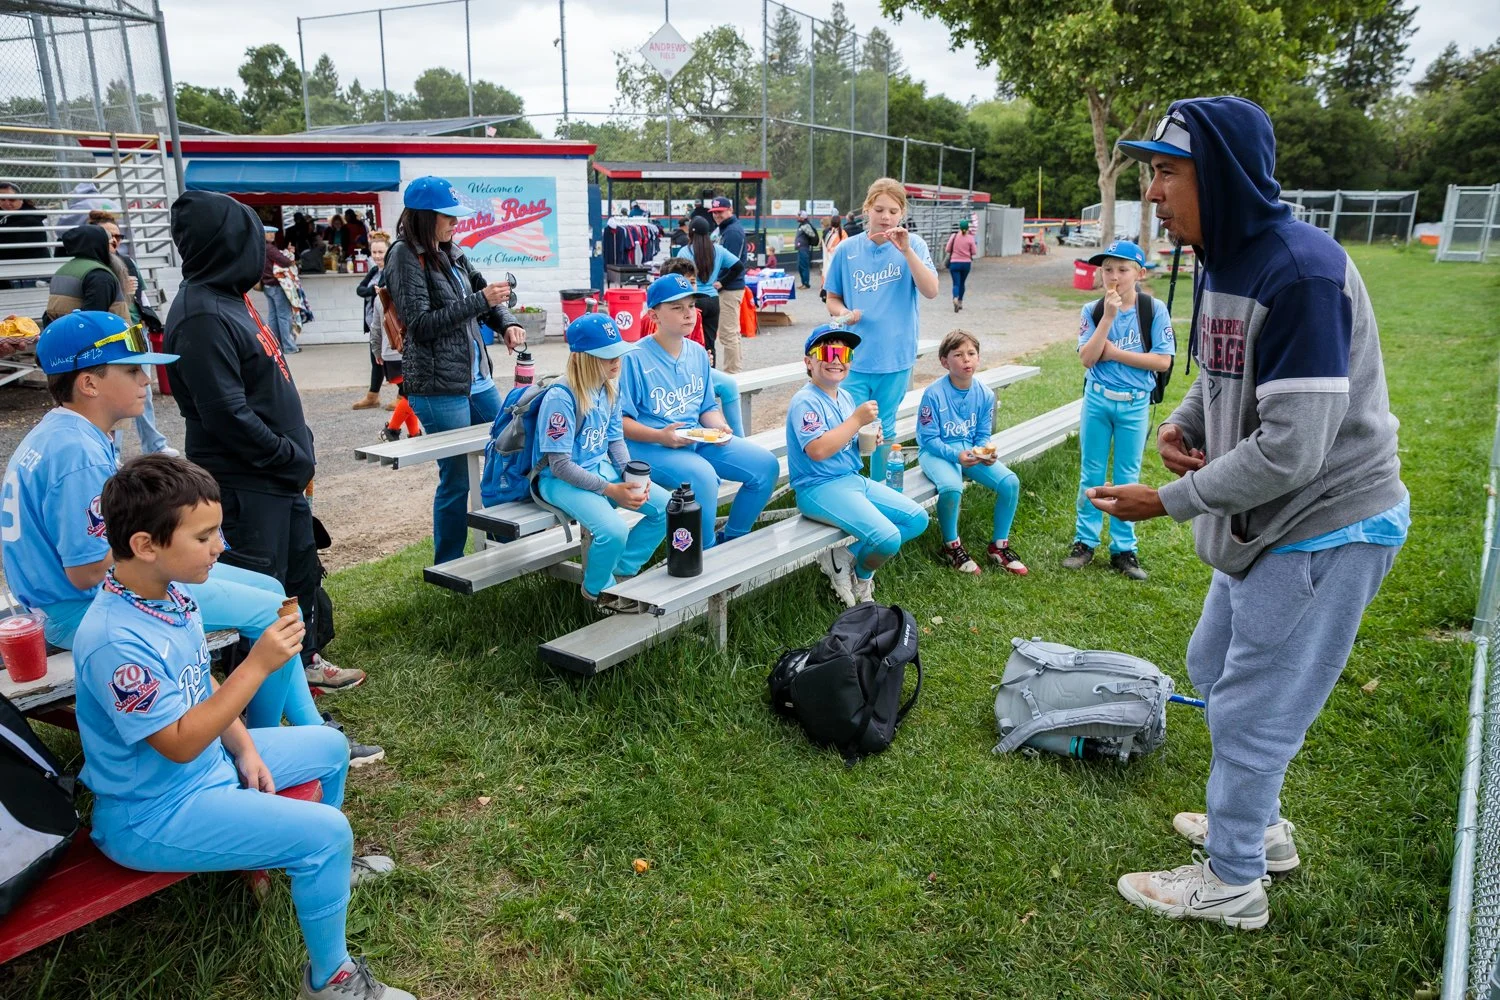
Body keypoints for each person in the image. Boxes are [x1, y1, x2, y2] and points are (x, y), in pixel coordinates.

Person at [1091, 97, 1408, 930]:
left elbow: (1294, 449)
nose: (1152, 192)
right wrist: (1185, 422)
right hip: (1268, 524)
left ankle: (1232, 881)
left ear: (1221, 176)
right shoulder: (1222, 257)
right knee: (1213, 662)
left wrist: (1168, 502)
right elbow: (1222, 367)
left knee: (1254, 708)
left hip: (1327, 524)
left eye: (1166, 172)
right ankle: (1259, 828)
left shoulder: (1300, 271)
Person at [70, 455, 410, 1000]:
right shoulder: (114, 640)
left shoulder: (171, 595)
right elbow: (179, 744)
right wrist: (257, 665)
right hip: (153, 812)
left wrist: (247, 748)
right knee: (328, 834)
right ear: (144, 545)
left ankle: (321, 873)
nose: (220, 547)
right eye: (204, 536)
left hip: (207, 772)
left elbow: (199, 687)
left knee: (329, 745)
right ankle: (332, 982)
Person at [0, 312, 376, 761]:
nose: (146, 379)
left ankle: (291, 735)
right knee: (269, 609)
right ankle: (260, 745)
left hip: (61, 601)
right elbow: (84, 572)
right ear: (89, 383)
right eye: (132, 369)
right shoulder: (77, 451)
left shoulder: (68, 432)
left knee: (273, 592)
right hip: (76, 611)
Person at [164, 191, 367, 697]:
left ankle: (304, 666)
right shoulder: (202, 315)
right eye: (253, 241)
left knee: (298, 574)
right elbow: (226, 415)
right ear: (227, 244)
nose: (263, 254)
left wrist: (297, 456)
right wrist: (287, 456)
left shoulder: (232, 298)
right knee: (260, 590)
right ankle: (254, 701)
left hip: (280, 477)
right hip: (248, 483)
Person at [384, 176, 525, 565]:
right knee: (457, 478)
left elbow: (485, 297)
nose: (456, 224)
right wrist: (479, 300)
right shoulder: (403, 256)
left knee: (508, 449)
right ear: (425, 217)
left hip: (475, 379)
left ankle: (504, 540)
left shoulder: (454, 251)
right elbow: (422, 324)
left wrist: (506, 321)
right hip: (438, 386)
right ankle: (449, 563)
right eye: (449, 217)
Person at [620, 273, 777, 550]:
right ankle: (702, 552)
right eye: (677, 307)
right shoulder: (633, 358)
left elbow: (706, 407)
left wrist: (719, 426)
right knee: (702, 476)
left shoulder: (696, 352)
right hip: (650, 447)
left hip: (694, 438)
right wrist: (660, 436)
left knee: (765, 465)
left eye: (691, 306)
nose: (688, 314)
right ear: (654, 315)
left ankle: (733, 541)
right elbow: (620, 423)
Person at [534, 313, 668, 610]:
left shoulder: (609, 387)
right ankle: (597, 591)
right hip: (559, 481)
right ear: (583, 357)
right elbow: (560, 465)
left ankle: (620, 571)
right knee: (614, 530)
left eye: (618, 352)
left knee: (667, 507)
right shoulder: (561, 396)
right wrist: (610, 489)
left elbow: (615, 439)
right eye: (607, 355)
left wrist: (629, 476)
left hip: (600, 469)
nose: (616, 360)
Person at [788, 324, 928, 608]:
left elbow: (845, 443)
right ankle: (856, 572)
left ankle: (852, 564)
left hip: (851, 479)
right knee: (888, 539)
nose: (836, 359)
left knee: (916, 519)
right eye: (827, 351)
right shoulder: (805, 401)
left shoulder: (845, 397)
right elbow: (817, 450)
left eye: (843, 352)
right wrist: (856, 421)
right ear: (809, 362)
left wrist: (867, 439)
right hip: (818, 487)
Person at [1061, 239, 1175, 581]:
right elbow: (1087, 357)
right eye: (1107, 269)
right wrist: (1108, 318)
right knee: (1091, 472)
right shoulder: (1093, 311)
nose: (1114, 276)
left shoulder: (1152, 310)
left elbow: (1162, 360)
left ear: (1139, 273)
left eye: (1123, 270)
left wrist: (1116, 354)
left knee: (1128, 476)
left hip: (1135, 404)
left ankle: (1124, 548)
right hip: (1098, 399)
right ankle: (1084, 541)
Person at [822, 177, 940, 485]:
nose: (885, 217)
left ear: (902, 213)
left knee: (884, 428)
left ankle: (881, 490)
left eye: (892, 210)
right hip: (852, 358)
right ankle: (846, 487)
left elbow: (931, 290)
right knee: (850, 426)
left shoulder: (914, 246)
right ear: (866, 209)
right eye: (879, 209)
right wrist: (844, 313)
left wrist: (906, 252)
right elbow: (832, 298)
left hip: (895, 357)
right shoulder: (846, 249)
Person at [917, 330, 1026, 577]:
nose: (966, 359)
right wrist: (956, 456)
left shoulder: (985, 394)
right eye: (958, 354)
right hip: (937, 453)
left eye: (971, 353)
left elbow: (982, 435)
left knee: (1010, 482)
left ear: (978, 358)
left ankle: (999, 546)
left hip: (969, 452)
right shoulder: (933, 394)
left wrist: (985, 452)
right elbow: (928, 438)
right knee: (952, 488)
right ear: (945, 362)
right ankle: (951, 546)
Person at [89, 211, 178, 458]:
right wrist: (121, 289)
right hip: (112, 335)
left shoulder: (127, 262)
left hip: (135, 331)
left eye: (118, 235)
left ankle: (153, 444)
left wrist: (149, 320)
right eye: (110, 236)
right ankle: (112, 450)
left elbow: (142, 297)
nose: (115, 240)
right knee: (112, 393)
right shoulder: (96, 267)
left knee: (143, 391)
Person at [636, 257, 744, 437]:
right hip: (659, 373)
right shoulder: (650, 324)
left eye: (691, 282)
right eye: (677, 306)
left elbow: (697, 349)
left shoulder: (696, 315)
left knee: (729, 384)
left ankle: (739, 438)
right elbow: (649, 350)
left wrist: (704, 358)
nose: (686, 286)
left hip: (688, 369)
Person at [364, 234, 421, 443]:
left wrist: (377, 352)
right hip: (404, 353)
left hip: (390, 356)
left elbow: (375, 329)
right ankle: (392, 430)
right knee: (412, 395)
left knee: (408, 394)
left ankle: (414, 433)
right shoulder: (410, 295)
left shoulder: (383, 297)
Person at [675, 215, 745, 366]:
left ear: (691, 233)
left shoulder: (684, 252)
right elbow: (738, 266)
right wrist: (722, 282)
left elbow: (677, 277)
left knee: (690, 341)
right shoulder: (718, 250)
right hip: (713, 300)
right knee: (710, 342)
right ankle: (711, 374)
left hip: (694, 300)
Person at [42, 223, 130, 326]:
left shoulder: (62, 271)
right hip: (105, 339)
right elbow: (93, 319)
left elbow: (50, 314)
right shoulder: (99, 275)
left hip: (65, 336)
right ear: (98, 245)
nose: (113, 249)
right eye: (110, 244)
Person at [708, 196, 749, 374]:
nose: (717, 215)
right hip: (727, 287)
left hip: (730, 288)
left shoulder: (732, 231)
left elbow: (735, 263)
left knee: (728, 334)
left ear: (729, 210)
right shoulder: (724, 229)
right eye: (714, 212)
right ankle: (733, 371)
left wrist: (721, 282)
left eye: (720, 211)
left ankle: (733, 373)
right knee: (731, 333)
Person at [353, 234, 389, 412]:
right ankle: (373, 395)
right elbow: (360, 290)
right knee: (376, 360)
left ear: (388, 251)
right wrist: (373, 292)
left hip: (387, 325)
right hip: (373, 323)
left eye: (381, 252)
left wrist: (376, 292)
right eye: (374, 252)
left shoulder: (391, 271)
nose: (377, 256)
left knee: (392, 361)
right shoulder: (375, 271)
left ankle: (403, 396)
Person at [256, 224, 300, 356]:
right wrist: (290, 254)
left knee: (273, 316)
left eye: (273, 233)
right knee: (283, 316)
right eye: (268, 233)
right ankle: (289, 347)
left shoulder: (259, 248)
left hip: (267, 285)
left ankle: (275, 345)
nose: (272, 235)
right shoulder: (269, 248)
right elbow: (285, 262)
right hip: (277, 285)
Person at [0, 181, 50, 286]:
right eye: (2, 199)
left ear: (21, 199)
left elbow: (8, 246)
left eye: (12, 199)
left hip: (28, 275)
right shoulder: (5, 217)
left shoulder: (30, 219)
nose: (7, 203)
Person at [944, 219, 977, 313]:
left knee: (956, 283)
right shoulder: (970, 238)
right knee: (962, 283)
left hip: (954, 263)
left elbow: (947, 249)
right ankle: (960, 301)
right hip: (966, 263)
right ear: (967, 228)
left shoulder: (954, 236)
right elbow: (974, 252)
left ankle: (955, 297)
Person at [819, 215, 845, 304]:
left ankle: (826, 293)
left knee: (827, 275)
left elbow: (822, 245)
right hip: (838, 260)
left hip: (828, 259)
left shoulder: (827, 232)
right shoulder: (843, 233)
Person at [794, 210, 820, 290]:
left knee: (804, 266)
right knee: (800, 267)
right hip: (800, 249)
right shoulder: (801, 225)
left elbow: (812, 235)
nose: (797, 217)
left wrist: (809, 242)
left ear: (802, 217)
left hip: (804, 249)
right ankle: (803, 282)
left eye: (798, 216)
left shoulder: (806, 226)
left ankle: (806, 283)